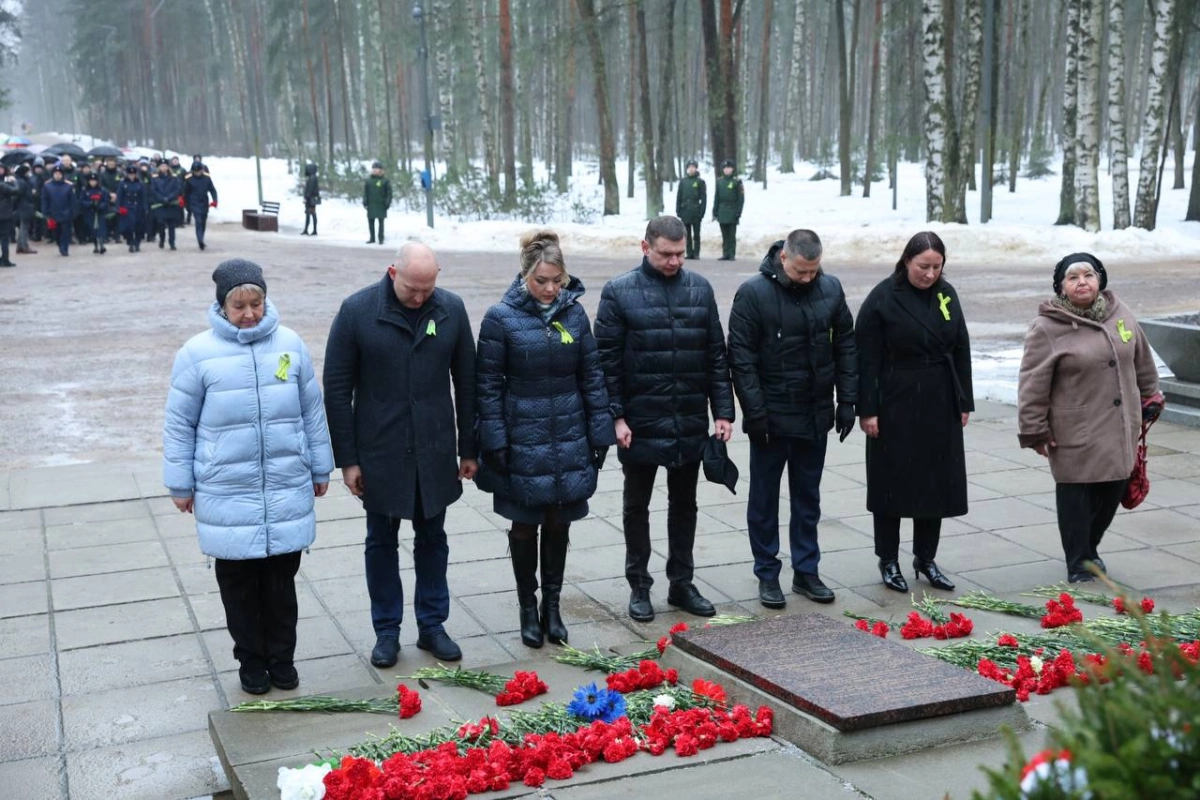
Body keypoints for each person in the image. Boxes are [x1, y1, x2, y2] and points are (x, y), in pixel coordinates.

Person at [162, 259, 334, 695]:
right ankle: (251, 662)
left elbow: (312, 411)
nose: (250, 314)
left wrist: (320, 465)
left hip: (284, 484)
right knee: (239, 587)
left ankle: (282, 659)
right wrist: (181, 483)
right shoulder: (197, 353)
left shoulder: (290, 345)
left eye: (256, 303)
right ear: (221, 305)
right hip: (226, 490)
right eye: (239, 305)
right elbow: (179, 424)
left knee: (281, 583)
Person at [323, 242, 477, 667]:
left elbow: (467, 383)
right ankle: (386, 631)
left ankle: (432, 626)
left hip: (434, 448)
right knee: (381, 541)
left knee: (433, 539)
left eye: (428, 288)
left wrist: (469, 447)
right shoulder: (357, 311)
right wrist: (348, 459)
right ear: (392, 272)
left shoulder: (451, 309)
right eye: (412, 288)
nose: (420, 297)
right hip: (380, 451)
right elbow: (336, 391)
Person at [475, 230, 615, 649]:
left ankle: (551, 607)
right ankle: (526, 606)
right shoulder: (500, 318)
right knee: (525, 522)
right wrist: (496, 439)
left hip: (568, 432)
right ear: (525, 277)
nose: (551, 289)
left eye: (558, 280)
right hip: (523, 435)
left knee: (559, 520)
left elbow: (591, 375)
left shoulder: (574, 315)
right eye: (542, 281)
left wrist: (600, 431)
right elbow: (487, 385)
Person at [595, 216, 735, 623]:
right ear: (645, 247)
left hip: (687, 416)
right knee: (635, 505)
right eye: (666, 253)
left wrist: (722, 411)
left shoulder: (700, 289)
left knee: (684, 504)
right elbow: (607, 363)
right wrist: (615, 417)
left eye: (680, 253)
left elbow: (715, 354)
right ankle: (639, 584)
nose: (675, 261)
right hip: (638, 421)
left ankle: (682, 581)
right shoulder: (619, 292)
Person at [727, 230, 857, 607]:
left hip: (815, 413)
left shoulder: (830, 289)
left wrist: (847, 400)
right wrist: (756, 412)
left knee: (807, 498)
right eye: (801, 271)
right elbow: (741, 358)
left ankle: (806, 570)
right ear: (783, 258)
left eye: (814, 271)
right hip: (771, 416)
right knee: (765, 500)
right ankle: (767, 573)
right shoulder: (753, 294)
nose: (808, 278)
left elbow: (846, 345)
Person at [1017, 253, 1162, 583]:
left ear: (1100, 280)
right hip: (1074, 427)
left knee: (1113, 489)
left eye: (1089, 275)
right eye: (1072, 277)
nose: (1082, 282)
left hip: (1119, 424)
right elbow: (1032, 383)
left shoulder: (1120, 314)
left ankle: (1089, 547)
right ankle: (1079, 559)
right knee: (1076, 495)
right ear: (1061, 286)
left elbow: (1141, 358)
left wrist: (1151, 394)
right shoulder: (1046, 327)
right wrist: (1034, 429)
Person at [855, 231, 973, 593]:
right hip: (896, 399)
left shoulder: (946, 295)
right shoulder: (883, 298)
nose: (930, 274)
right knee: (892, 486)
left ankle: (926, 558)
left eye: (937, 267)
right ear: (906, 260)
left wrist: (964, 400)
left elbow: (961, 347)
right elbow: (867, 358)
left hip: (939, 398)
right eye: (923, 266)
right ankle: (888, 559)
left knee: (935, 485)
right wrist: (868, 410)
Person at [712, 159, 744, 262]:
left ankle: (731, 253)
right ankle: (725, 253)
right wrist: (715, 211)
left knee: (731, 234)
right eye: (725, 168)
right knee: (724, 234)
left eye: (729, 168)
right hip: (722, 210)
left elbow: (741, 199)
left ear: (732, 169)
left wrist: (738, 212)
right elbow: (716, 197)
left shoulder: (737, 181)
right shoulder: (719, 181)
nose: (727, 170)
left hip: (732, 210)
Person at [40, 166, 76, 257]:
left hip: (66, 213)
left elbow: (72, 200)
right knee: (56, 233)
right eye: (56, 174)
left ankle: (64, 249)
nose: (58, 176)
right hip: (53, 213)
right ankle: (60, 245)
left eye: (59, 174)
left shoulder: (68, 186)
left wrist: (73, 211)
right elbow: (44, 200)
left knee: (66, 232)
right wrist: (45, 212)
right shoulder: (47, 186)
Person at [676, 159, 707, 259]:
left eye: (693, 167)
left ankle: (696, 253)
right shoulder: (683, 182)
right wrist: (678, 210)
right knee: (686, 234)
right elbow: (679, 197)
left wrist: (702, 212)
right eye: (689, 167)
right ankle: (689, 252)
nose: (691, 169)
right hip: (685, 211)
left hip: (696, 210)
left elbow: (703, 198)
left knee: (696, 234)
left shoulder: (700, 182)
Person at [150, 161, 184, 250]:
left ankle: (172, 243)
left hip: (171, 204)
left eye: (165, 166)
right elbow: (153, 190)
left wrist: (169, 198)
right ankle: (162, 239)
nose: (164, 168)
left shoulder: (174, 178)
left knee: (171, 226)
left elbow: (177, 189)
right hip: (160, 204)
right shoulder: (155, 178)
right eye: (162, 166)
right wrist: (162, 198)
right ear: (159, 168)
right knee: (161, 224)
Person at [184, 162, 218, 251]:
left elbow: (212, 190)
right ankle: (200, 240)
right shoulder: (189, 179)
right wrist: (185, 203)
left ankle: (201, 237)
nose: (197, 173)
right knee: (198, 221)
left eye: (199, 171)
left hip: (204, 202)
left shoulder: (207, 178)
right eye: (195, 171)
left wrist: (214, 200)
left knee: (203, 221)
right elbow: (185, 192)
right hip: (194, 202)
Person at [117, 165, 146, 252]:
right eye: (130, 174)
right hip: (127, 208)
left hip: (138, 207)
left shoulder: (140, 183)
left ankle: (137, 243)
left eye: (133, 174)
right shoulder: (123, 183)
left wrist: (145, 208)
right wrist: (119, 207)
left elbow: (143, 196)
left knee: (138, 227)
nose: (131, 176)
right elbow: (119, 196)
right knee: (127, 227)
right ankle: (130, 241)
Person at [362, 161, 392, 245]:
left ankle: (381, 238)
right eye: (374, 168)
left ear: (381, 170)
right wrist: (365, 201)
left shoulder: (385, 181)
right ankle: (372, 238)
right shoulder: (368, 181)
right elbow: (365, 192)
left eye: (377, 168)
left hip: (381, 204)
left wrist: (388, 202)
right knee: (371, 221)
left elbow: (389, 193)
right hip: (371, 204)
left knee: (381, 222)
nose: (375, 170)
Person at [79, 173, 109, 254]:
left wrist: (100, 206)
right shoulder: (85, 190)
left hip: (100, 213)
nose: (93, 183)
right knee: (93, 230)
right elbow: (81, 201)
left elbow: (106, 200)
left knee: (101, 229)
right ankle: (96, 246)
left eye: (94, 181)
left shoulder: (102, 190)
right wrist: (90, 204)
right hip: (89, 213)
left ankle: (102, 245)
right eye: (91, 181)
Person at [13, 164, 36, 255]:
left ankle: (20, 246)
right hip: (24, 207)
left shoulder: (21, 181)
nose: (29, 173)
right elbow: (18, 194)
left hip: (24, 206)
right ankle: (24, 246)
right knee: (24, 228)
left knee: (23, 227)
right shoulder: (22, 182)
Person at [0, 165, 18, 267]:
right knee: (4, 238)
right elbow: (15, 190)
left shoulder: (3, 182)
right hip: (3, 215)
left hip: (4, 214)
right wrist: (14, 182)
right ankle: (5, 259)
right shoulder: (2, 184)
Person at [301, 162, 320, 236]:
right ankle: (312, 229)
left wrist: (306, 197)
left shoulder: (312, 178)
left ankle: (308, 229)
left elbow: (310, 189)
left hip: (310, 199)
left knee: (309, 214)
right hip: (312, 198)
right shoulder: (314, 177)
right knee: (312, 214)